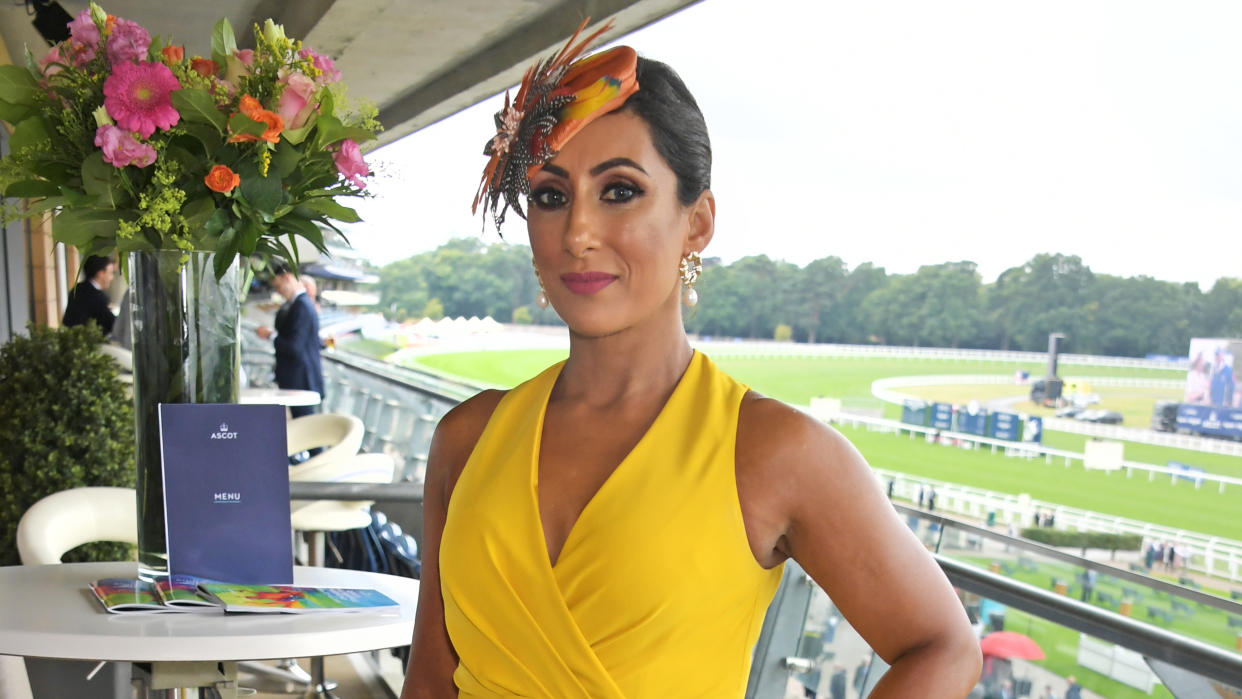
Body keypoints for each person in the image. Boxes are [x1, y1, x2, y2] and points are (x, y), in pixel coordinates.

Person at [399, 22, 981, 699]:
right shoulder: (466, 439)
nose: (578, 233)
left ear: (697, 221)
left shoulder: (773, 451)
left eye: (619, 190)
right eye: (551, 196)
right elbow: (430, 683)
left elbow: (942, 646)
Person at [255, 260, 323, 419]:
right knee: (306, 429)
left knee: (307, 431)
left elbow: (295, 347)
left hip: (300, 381)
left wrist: (270, 335)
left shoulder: (302, 306)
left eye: (278, 286)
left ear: (287, 277)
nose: (278, 292)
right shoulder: (299, 305)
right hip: (298, 380)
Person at [62, 255, 116, 336]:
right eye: (111, 273)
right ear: (100, 274)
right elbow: (112, 325)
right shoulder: (97, 297)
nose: (112, 278)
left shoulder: (78, 289)